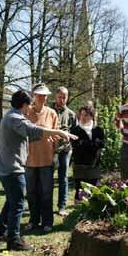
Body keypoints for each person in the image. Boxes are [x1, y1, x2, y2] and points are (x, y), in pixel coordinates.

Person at [0, 89, 77, 251]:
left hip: (8, 167)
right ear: (24, 105)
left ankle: (1, 230)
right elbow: (32, 129)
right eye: (29, 104)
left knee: (11, 201)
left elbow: (30, 134)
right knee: (18, 203)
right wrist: (58, 131)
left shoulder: (12, 116)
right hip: (12, 168)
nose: (30, 108)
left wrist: (49, 135)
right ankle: (14, 240)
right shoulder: (14, 118)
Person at [26, 83, 58, 233]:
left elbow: (56, 134)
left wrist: (56, 153)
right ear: (34, 96)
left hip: (46, 159)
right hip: (29, 160)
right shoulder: (26, 112)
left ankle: (47, 221)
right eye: (39, 95)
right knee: (31, 192)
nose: (43, 98)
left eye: (45, 95)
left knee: (46, 193)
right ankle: (33, 219)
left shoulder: (51, 113)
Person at [71, 106, 104, 201]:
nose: (83, 117)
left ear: (92, 116)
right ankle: (78, 213)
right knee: (80, 192)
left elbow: (101, 144)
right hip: (80, 165)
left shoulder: (98, 130)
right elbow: (77, 146)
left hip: (94, 165)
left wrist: (85, 143)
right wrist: (93, 143)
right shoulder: (75, 130)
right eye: (81, 115)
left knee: (93, 191)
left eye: (86, 115)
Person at [52, 86, 77, 216]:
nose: (62, 99)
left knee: (63, 179)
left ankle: (62, 206)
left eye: (64, 97)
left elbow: (75, 133)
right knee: (46, 179)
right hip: (49, 150)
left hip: (64, 151)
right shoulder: (48, 110)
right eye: (60, 97)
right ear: (55, 96)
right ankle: (45, 205)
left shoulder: (71, 114)